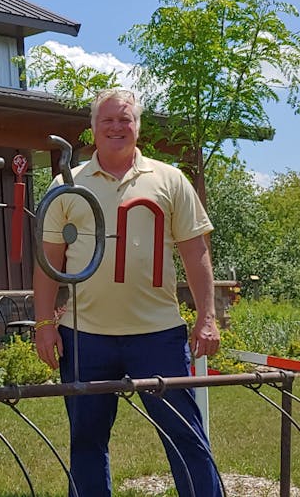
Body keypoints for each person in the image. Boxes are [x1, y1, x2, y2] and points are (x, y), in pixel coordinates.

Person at [33, 88, 222, 497]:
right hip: (85, 337)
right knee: (86, 442)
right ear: (92, 129)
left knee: (185, 437)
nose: (117, 127)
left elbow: (196, 253)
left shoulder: (169, 180)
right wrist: (45, 323)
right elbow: (48, 260)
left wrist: (207, 317)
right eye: (108, 120)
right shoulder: (66, 183)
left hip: (159, 335)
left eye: (125, 119)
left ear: (137, 126)